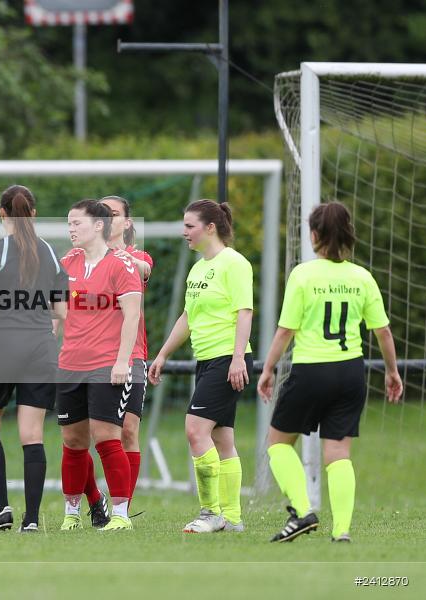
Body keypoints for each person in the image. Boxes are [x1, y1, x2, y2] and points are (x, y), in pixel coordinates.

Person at [257, 202, 403, 543]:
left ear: (314, 235)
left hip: (311, 371)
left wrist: (267, 369)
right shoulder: (361, 277)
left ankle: (304, 511)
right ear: (348, 233)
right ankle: (341, 532)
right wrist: (392, 372)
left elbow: (285, 331)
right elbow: (382, 332)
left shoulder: (304, 275)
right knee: (338, 454)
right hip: (351, 372)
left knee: (277, 444)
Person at [0, 184, 68, 533]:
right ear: (33, 213)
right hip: (41, 350)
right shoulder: (51, 253)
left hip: (3, 349)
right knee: (32, 435)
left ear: (1, 213)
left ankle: (1, 510)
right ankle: (32, 520)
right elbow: (62, 312)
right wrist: (47, 341)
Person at [148, 199, 253, 534]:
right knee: (223, 438)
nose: (184, 232)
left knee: (195, 431)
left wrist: (238, 358)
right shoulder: (198, 268)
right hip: (207, 361)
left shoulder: (234, 263)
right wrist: (163, 354)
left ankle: (211, 513)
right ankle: (233, 518)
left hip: (227, 359)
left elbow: (245, 312)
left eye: (190, 226)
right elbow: (188, 317)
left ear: (210, 228)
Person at [57, 199, 143, 532]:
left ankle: (120, 515)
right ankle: (71, 513)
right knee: (73, 441)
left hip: (107, 364)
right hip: (70, 364)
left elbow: (132, 315)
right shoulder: (68, 262)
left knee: (108, 438)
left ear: (97, 226)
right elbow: (55, 304)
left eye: (76, 223)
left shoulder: (123, 264)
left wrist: (123, 361)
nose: (70, 229)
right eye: (68, 223)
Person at [79, 195, 155, 525]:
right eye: (102, 214)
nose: (108, 219)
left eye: (114, 214)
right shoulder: (82, 258)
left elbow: (144, 269)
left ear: (127, 222)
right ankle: (96, 500)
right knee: (79, 436)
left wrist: (117, 259)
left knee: (128, 431)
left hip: (129, 356)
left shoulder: (135, 257)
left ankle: (122, 507)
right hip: (87, 358)